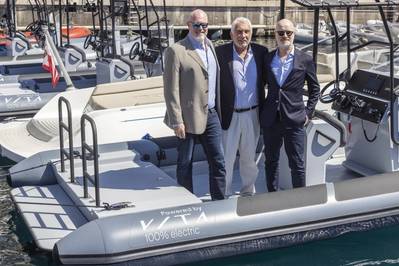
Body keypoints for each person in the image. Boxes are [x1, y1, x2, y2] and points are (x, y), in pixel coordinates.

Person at [163, 9, 226, 200]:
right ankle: (187, 203)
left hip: (212, 113)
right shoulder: (177, 50)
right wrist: (176, 121)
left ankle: (219, 201)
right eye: (197, 25)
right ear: (188, 26)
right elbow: (170, 89)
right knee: (185, 163)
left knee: (218, 161)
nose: (201, 29)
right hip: (188, 117)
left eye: (204, 25)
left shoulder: (210, 45)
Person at [260, 18, 320, 191]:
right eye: (281, 32)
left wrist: (308, 112)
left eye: (288, 32)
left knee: (297, 163)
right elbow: (261, 85)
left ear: (294, 34)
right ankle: (272, 196)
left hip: (295, 119)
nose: (284, 35)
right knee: (271, 161)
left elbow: (315, 89)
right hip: (271, 120)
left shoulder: (305, 60)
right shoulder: (268, 58)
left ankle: (299, 201)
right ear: (275, 35)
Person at [215, 17, 268, 197]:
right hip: (229, 115)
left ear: (251, 34)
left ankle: (247, 192)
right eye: (238, 31)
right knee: (226, 159)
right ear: (231, 34)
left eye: (246, 31)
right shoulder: (220, 53)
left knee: (249, 159)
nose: (242, 35)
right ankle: (225, 193)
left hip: (253, 114)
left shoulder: (261, 53)